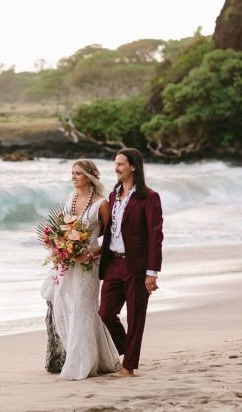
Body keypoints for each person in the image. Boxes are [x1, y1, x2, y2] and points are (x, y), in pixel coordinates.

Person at [41, 159, 120, 380]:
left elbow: (110, 239)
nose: (73, 177)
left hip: (88, 264)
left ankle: (83, 364)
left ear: (90, 177)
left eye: (78, 173)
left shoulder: (101, 204)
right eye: (72, 173)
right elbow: (64, 227)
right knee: (63, 306)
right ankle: (89, 357)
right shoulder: (71, 198)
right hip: (68, 263)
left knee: (84, 310)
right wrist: (60, 244)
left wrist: (91, 252)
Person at [98, 148, 163, 377]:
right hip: (113, 263)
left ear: (133, 166)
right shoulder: (114, 196)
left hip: (137, 267)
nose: (116, 168)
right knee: (105, 313)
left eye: (121, 164)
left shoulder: (149, 197)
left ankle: (129, 366)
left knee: (136, 317)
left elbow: (156, 236)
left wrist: (151, 272)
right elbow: (109, 231)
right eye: (115, 164)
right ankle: (127, 349)